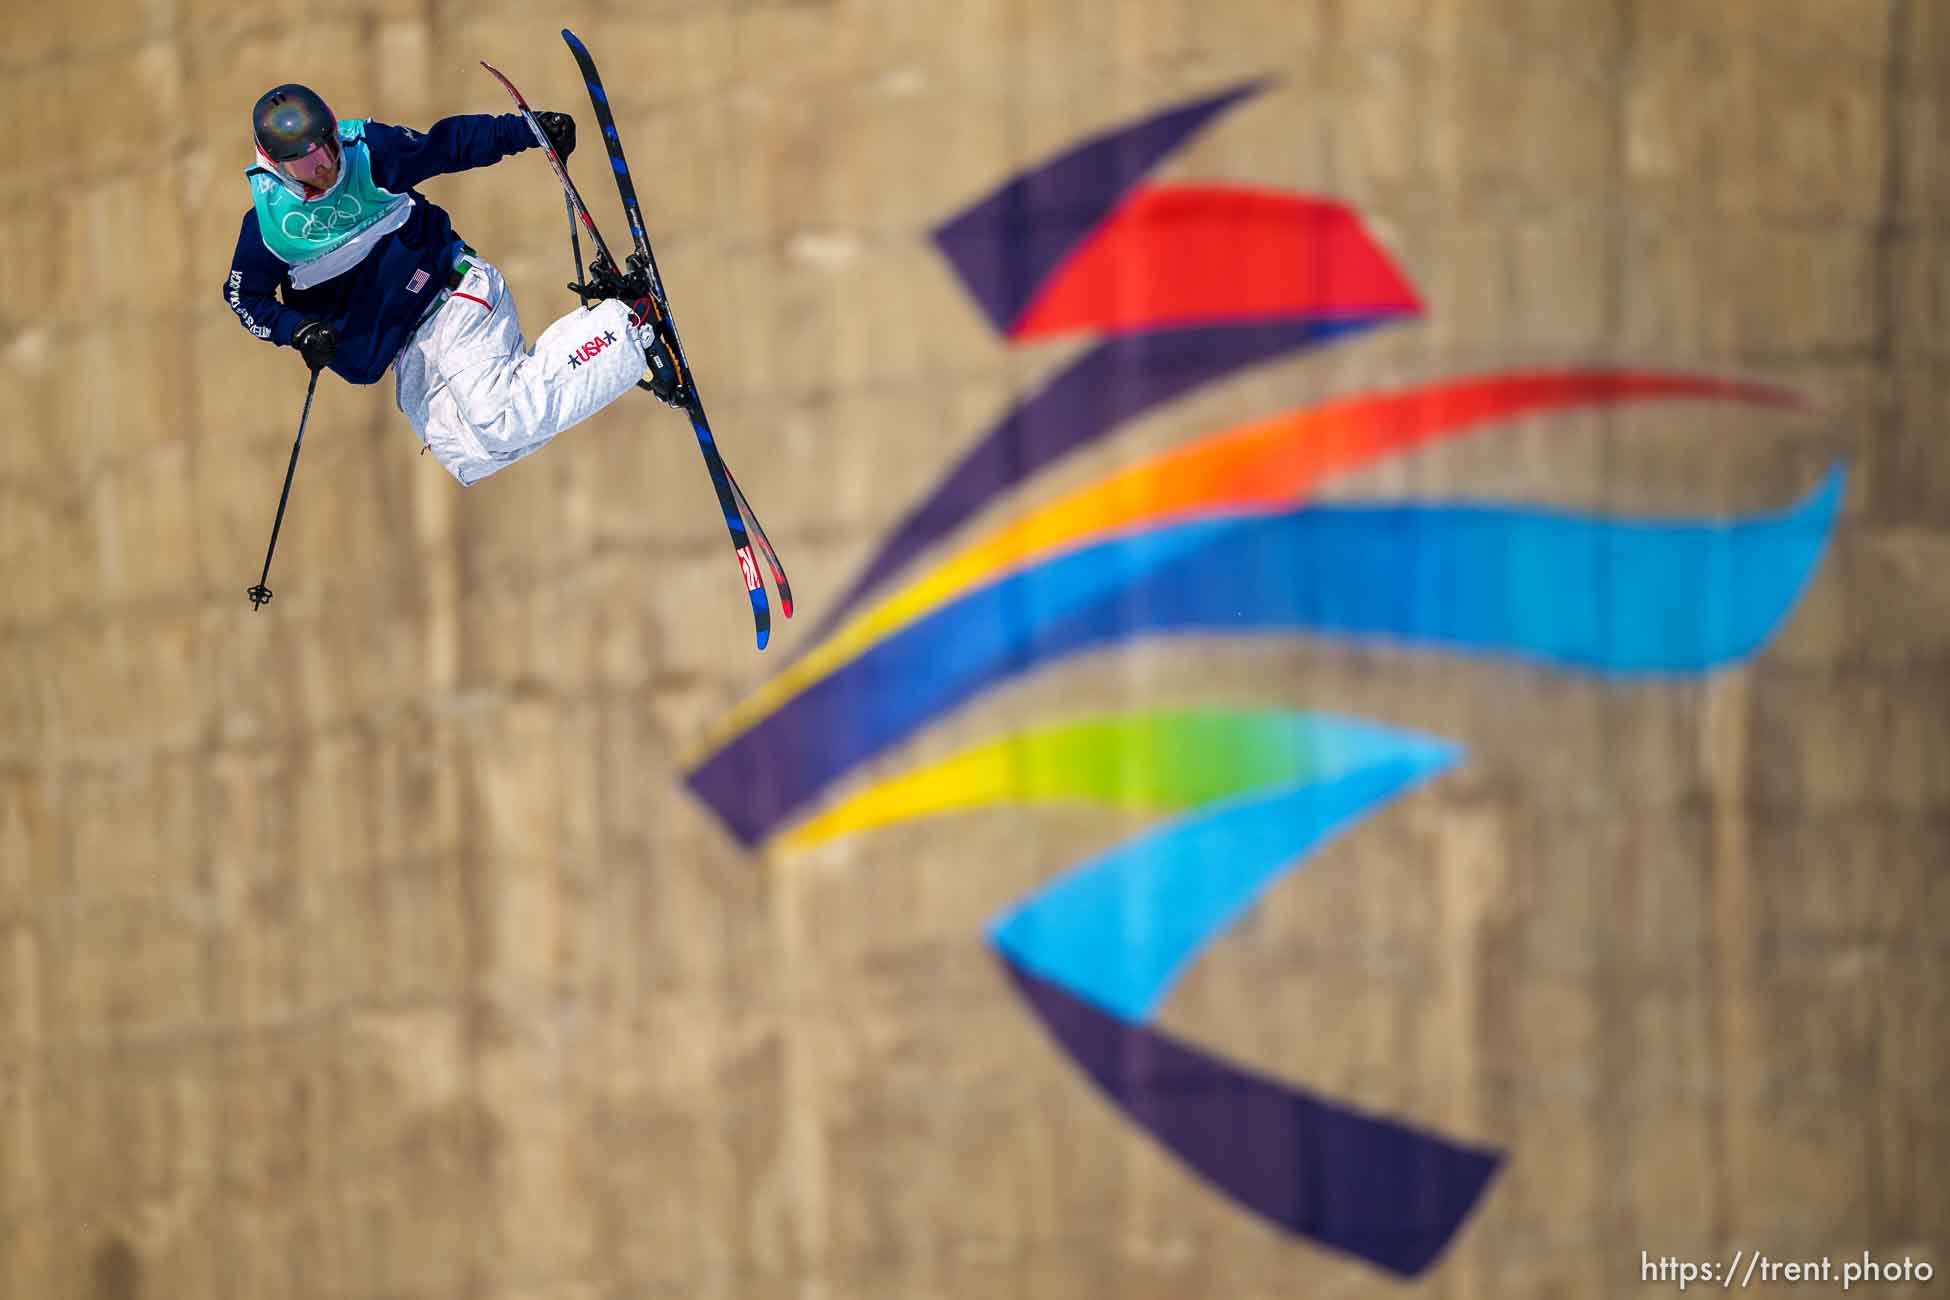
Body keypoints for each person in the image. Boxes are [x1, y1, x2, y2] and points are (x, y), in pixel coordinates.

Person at [223, 83, 686, 487]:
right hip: (408, 350)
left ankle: (630, 325)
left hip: (450, 294)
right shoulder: (269, 230)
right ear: (277, 167)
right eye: (306, 165)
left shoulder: (371, 156)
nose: (324, 167)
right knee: (470, 455)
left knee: (502, 419)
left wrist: (527, 130)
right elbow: (244, 298)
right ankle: (612, 346)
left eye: (327, 148)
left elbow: (446, 146)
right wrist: (297, 330)